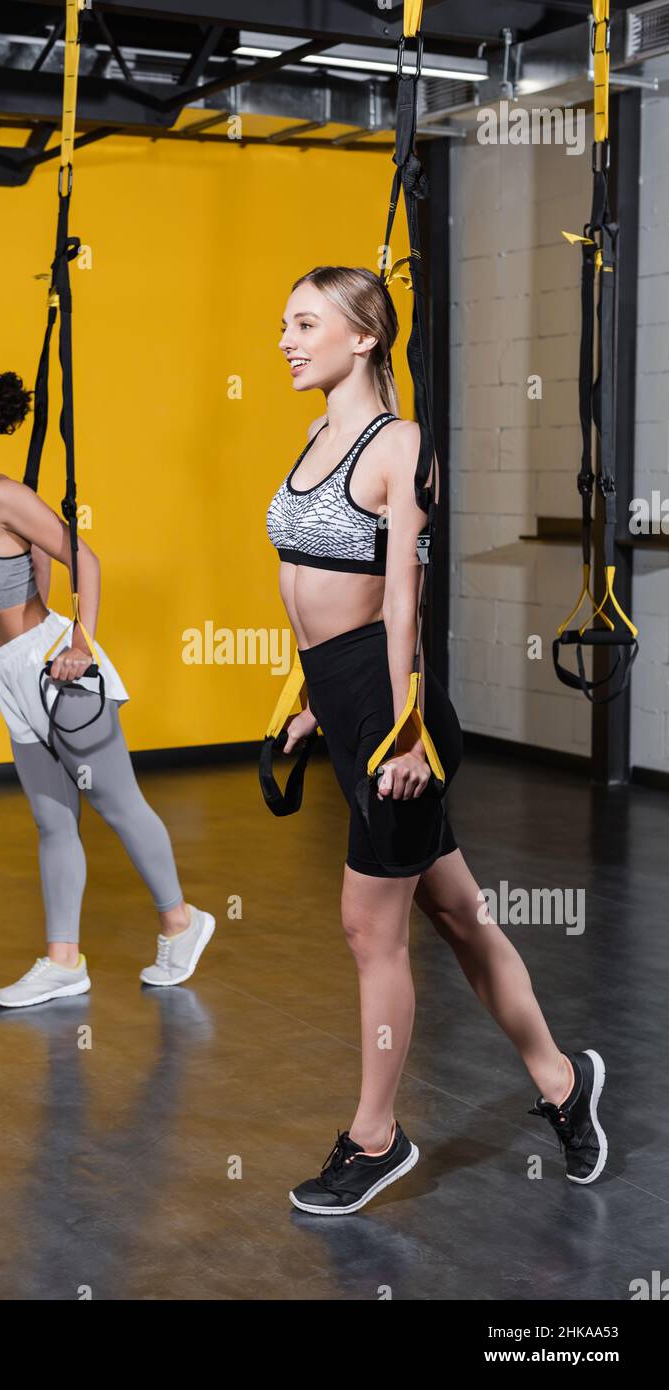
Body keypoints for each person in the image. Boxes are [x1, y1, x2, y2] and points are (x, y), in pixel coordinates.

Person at [267, 266, 606, 1214]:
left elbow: (405, 605)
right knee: (458, 916)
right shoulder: (313, 435)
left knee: (368, 927)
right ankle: (561, 1083)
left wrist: (409, 734)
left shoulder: (400, 446)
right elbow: (309, 593)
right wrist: (307, 704)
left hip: (393, 719)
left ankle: (375, 1138)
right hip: (345, 704)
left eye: (304, 323)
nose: (286, 341)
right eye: (283, 324)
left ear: (363, 336)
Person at [0, 364, 214, 1005]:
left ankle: (182, 923)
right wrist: (12, 665)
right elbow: (33, 560)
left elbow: (84, 556)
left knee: (119, 805)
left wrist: (77, 641)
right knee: (52, 821)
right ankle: (64, 962)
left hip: (59, 673)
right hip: (15, 673)